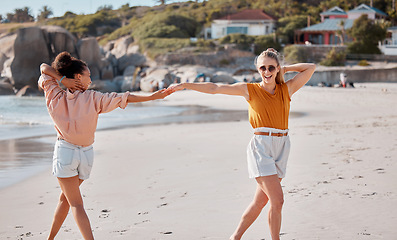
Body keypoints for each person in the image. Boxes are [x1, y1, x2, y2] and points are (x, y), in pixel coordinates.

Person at [169, 48, 315, 240]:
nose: (267, 71)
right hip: (261, 148)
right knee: (277, 201)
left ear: (277, 68)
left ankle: (235, 238)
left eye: (271, 67)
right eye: (263, 68)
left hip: (282, 147)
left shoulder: (286, 89)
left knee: (260, 202)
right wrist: (186, 85)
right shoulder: (250, 90)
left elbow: (311, 68)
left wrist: (285, 69)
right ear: (257, 69)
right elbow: (215, 88)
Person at [38, 51, 173, 240]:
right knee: (66, 199)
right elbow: (124, 97)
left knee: (75, 203)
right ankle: (49, 239)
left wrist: (62, 80)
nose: (90, 80)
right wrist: (152, 97)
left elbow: (44, 69)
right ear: (78, 77)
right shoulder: (94, 98)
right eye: (88, 76)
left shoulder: (54, 94)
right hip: (86, 155)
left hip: (66, 152)